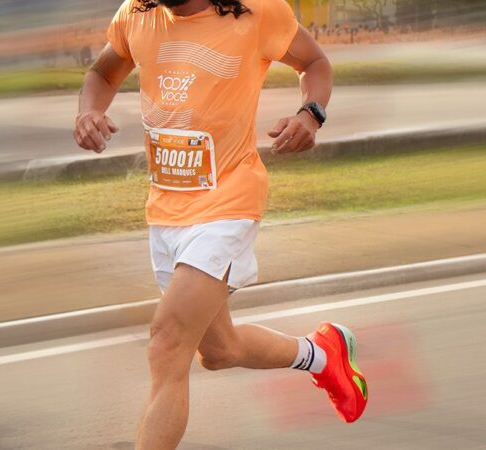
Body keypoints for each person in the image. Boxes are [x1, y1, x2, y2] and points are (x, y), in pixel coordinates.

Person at [73, 0, 368, 447]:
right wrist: (88, 111)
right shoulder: (136, 13)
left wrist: (311, 115)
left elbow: (314, 62)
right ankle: (321, 355)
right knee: (218, 350)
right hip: (166, 209)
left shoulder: (256, 12)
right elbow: (102, 74)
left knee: (167, 341)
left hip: (229, 199)